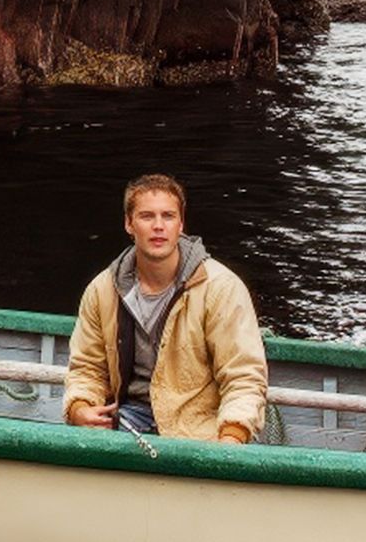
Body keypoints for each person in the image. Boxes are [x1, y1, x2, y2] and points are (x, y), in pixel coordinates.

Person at [64, 173, 267, 443]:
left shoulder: (222, 288)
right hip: (125, 420)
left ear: (181, 224)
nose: (158, 226)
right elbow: (86, 368)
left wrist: (231, 437)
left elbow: (244, 378)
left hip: (199, 428)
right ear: (129, 224)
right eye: (147, 216)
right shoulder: (102, 290)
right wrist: (80, 409)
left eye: (168, 216)